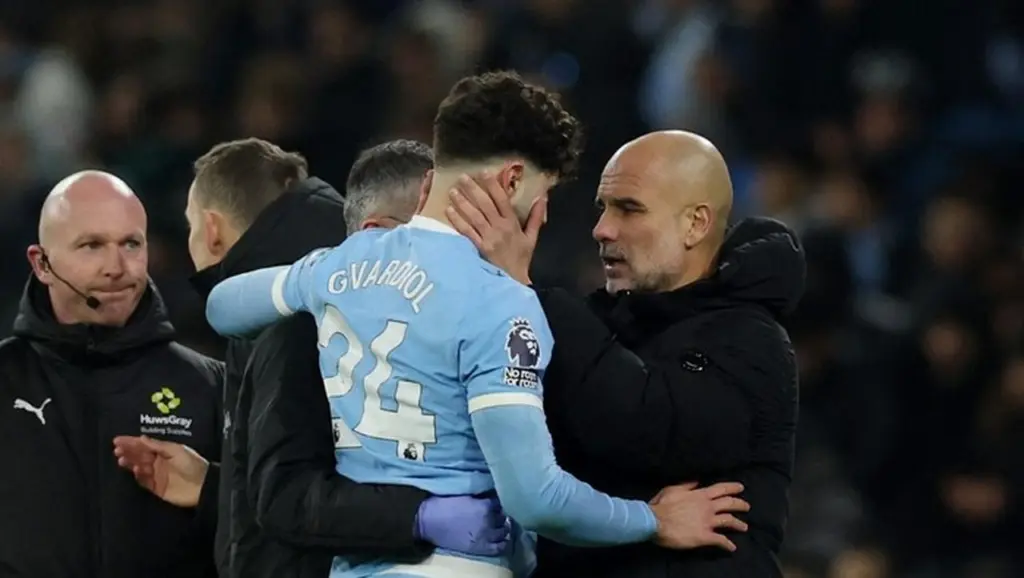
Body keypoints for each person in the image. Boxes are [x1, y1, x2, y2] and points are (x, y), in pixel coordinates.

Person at [203, 72, 751, 578]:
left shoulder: (338, 265)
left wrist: (311, 284)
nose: (542, 213)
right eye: (543, 194)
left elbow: (223, 307)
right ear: (511, 180)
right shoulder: (500, 303)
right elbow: (536, 499)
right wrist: (651, 520)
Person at [113, 139, 510, 578]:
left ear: (211, 229)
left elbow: (290, 497)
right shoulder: (326, 282)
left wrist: (420, 517)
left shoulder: (291, 310)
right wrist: (216, 489)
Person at [445, 130, 805, 578]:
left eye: (629, 209)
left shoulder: (753, 340)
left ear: (695, 224)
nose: (602, 229)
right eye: (603, 208)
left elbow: (644, 431)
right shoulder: (604, 321)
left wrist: (522, 294)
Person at [0, 170, 224, 578]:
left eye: (131, 244)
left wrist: (212, 491)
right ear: (42, 263)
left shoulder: (211, 386)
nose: (117, 267)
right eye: (92, 246)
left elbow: (270, 531)